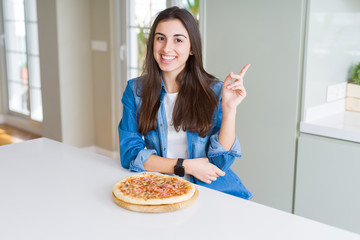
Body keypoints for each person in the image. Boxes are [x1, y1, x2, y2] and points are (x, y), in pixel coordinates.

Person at [118, 6, 252, 199]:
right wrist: (185, 165)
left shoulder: (214, 91)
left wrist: (230, 109)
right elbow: (130, 154)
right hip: (161, 188)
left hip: (211, 190)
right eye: (160, 38)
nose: (166, 48)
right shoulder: (136, 91)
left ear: (191, 48)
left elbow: (220, 162)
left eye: (178, 40)